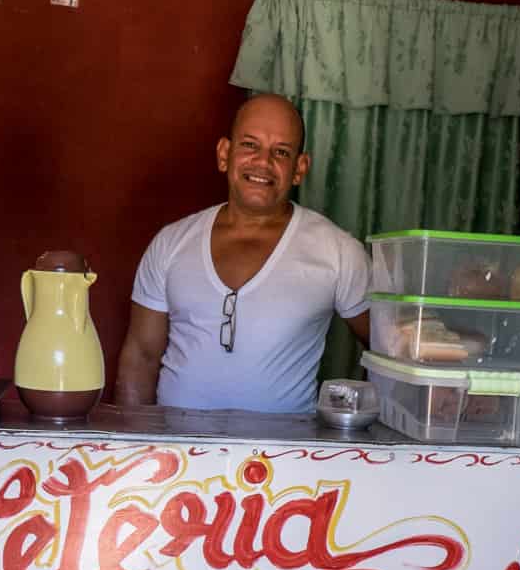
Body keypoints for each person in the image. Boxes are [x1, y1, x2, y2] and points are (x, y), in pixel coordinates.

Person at [115, 94, 372, 414]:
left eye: (281, 152)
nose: (263, 162)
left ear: (299, 168)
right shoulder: (171, 242)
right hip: (179, 456)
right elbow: (141, 356)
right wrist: (138, 452)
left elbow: (390, 351)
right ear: (225, 154)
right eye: (250, 145)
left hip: (286, 458)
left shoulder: (338, 251)